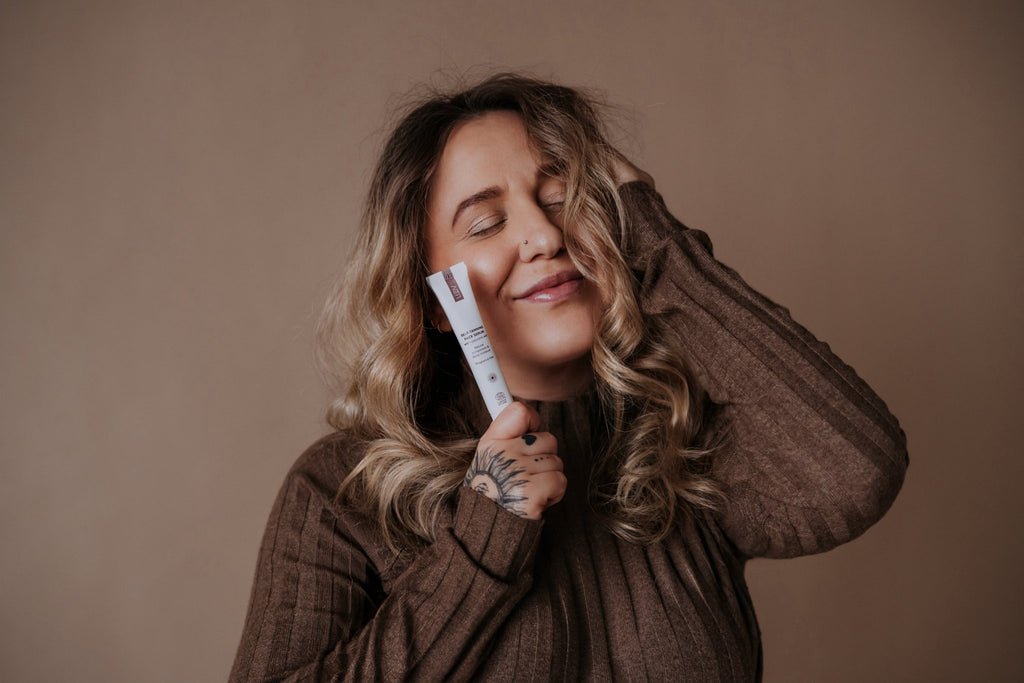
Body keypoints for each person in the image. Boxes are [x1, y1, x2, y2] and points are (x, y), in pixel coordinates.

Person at [229, 73, 907, 681]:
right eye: (487, 222)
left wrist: (655, 238)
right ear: (435, 302)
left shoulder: (678, 435)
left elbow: (856, 468)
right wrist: (482, 541)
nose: (543, 235)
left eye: (560, 197)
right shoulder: (341, 490)